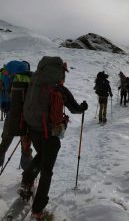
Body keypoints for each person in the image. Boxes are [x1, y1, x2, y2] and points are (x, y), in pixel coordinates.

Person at [17, 56, 88, 220]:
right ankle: (38, 210)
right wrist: (83, 107)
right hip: (49, 133)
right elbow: (75, 109)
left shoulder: (35, 80)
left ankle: (26, 182)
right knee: (47, 170)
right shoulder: (58, 88)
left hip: (33, 128)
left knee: (41, 155)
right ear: (59, 72)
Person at [0, 61, 33, 170]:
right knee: (25, 146)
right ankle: (28, 177)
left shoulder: (10, 76)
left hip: (11, 114)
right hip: (26, 116)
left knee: (4, 142)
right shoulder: (28, 80)